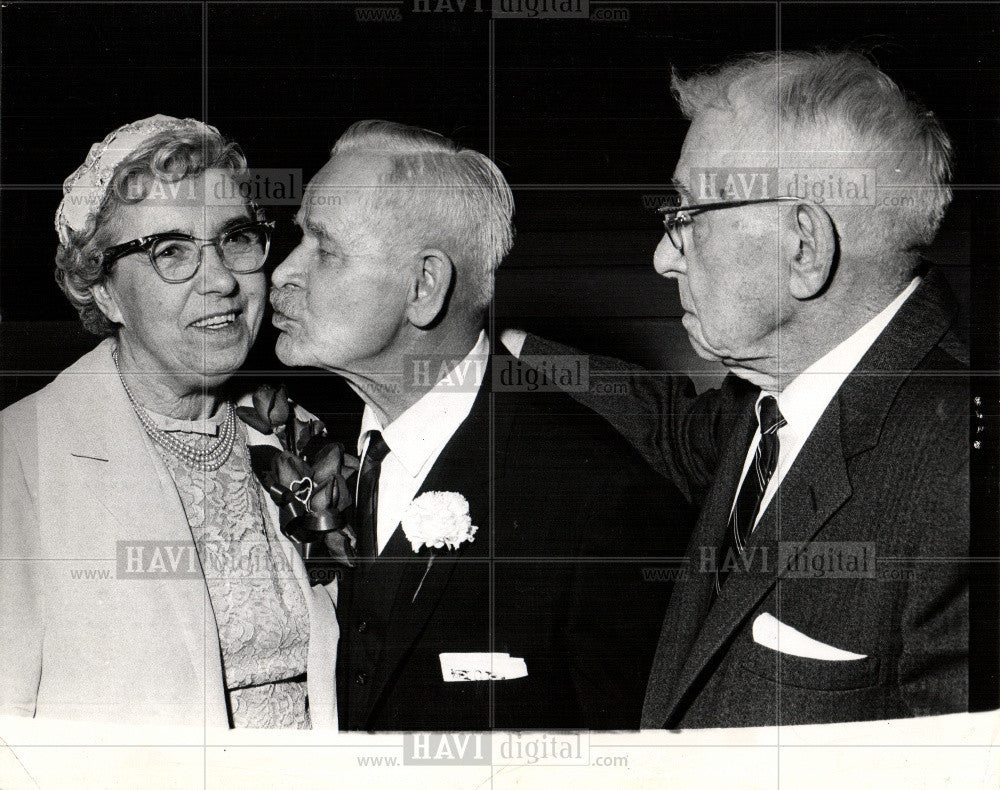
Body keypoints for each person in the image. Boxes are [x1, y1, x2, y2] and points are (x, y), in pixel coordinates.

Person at [502, 50, 969, 727]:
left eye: (689, 214)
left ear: (802, 246)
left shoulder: (959, 471)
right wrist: (510, 352)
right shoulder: (775, 401)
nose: (664, 256)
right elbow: (669, 424)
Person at [269, 120, 694, 730]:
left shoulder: (600, 503)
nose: (283, 271)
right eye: (297, 240)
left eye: (325, 249)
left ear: (424, 286)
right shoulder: (309, 443)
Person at [0, 116, 338, 728]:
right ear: (104, 291)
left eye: (236, 237)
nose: (222, 281)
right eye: (171, 251)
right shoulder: (22, 460)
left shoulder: (297, 432)